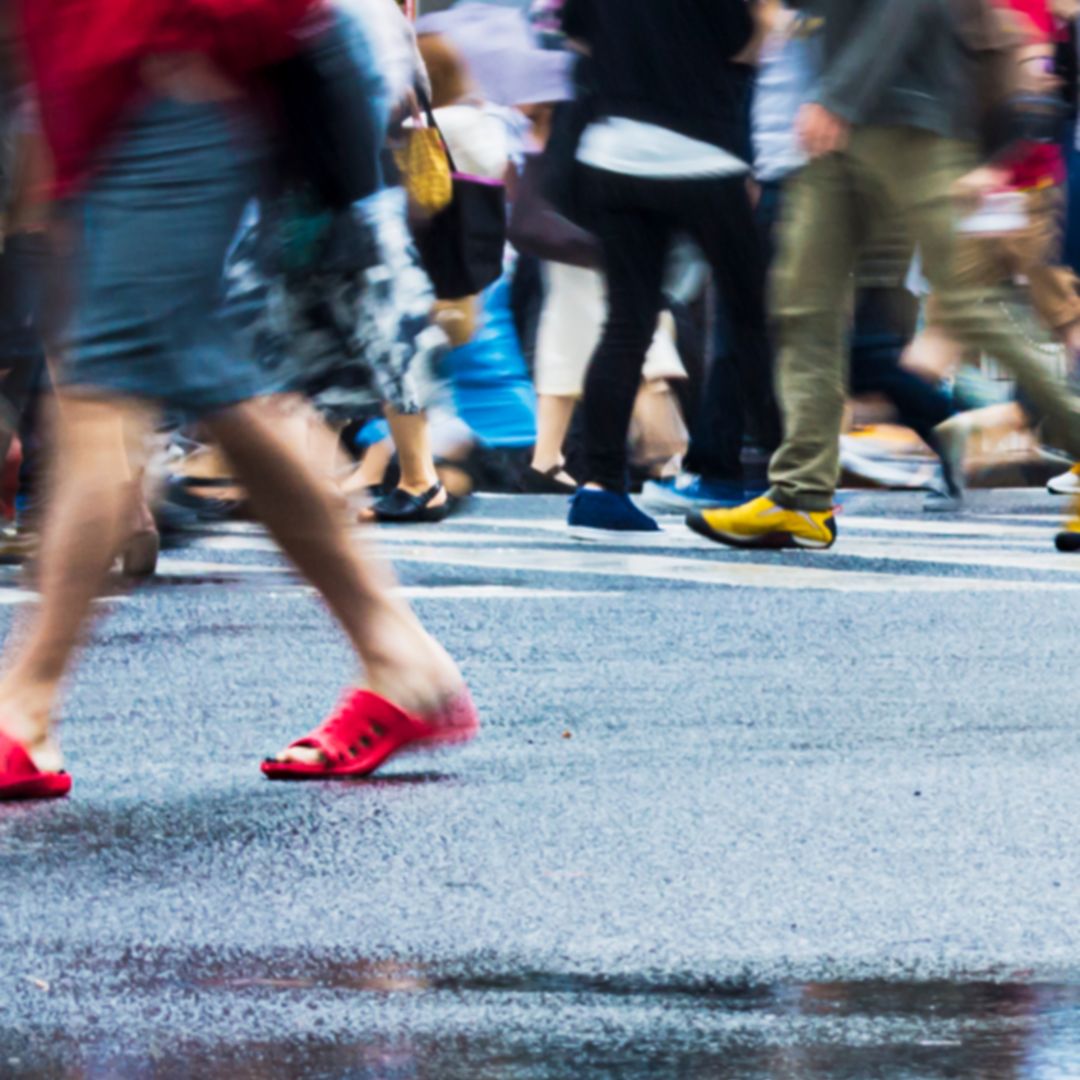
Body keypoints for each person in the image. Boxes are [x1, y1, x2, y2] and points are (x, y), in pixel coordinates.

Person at [0, 0, 477, 801]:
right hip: (120, 93)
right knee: (215, 386)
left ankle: (24, 709)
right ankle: (403, 662)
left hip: (165, 78)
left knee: (105, 396)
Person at [689, 0, 1080, 552]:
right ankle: (800, 496)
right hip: (841, 118)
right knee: (803, 307)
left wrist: (839, 97)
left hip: (906, 115)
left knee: (965, 303)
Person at [558, 0, 774, 540]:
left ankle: (601, 487)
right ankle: (787, 478)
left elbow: (576, 37)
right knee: (751, 319)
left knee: (626, 323)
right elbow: (743, 40)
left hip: (614, 150)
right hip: (704, 153)